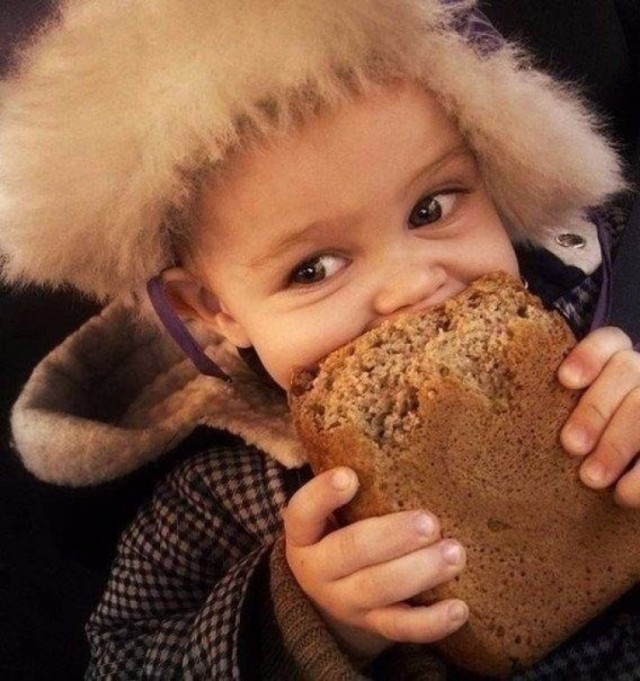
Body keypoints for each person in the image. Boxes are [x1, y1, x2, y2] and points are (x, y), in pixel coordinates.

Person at [1, 0, 639, 678]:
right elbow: (124, 657)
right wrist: (307, 620)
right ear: (213, 309)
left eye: (432, 208)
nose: (408, 287)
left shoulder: (598, 336)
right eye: (313, 269)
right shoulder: (210, 504)